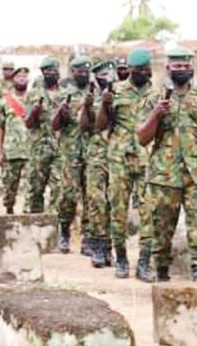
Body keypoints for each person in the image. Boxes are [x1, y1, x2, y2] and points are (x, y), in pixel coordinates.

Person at [137, 46, 197, 282]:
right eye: (176, 66)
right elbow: (142, 138)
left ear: (191, 69)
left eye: (184, 66)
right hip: (164, 175)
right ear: (167, 68)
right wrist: (157, 115)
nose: (180, 69)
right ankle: (161, 272)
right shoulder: (153, 99)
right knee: (161, 228)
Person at [95, 48, 155, 281]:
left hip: (147, 159)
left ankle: (143, 263)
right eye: (136, 70)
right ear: (129, 70)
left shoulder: (158, 93)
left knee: (149, 212)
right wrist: (105, 106)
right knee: (117, 210)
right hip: (119, 159)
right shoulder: (116, 92)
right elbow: (100, 126)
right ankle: (121, 259)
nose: (141, 73)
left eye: (144, 70)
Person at [52, 55, 94, 254]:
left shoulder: (97, 93)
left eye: (86, 71)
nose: (83, 74)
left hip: (92, 152)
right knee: (68, 195)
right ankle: (64, 231)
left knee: (90, 196)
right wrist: (61, 112)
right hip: (70, 152)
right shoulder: (63, 94)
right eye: (79, 71)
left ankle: (87, 237)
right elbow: (54, 125)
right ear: (73, 72)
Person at [85, 60, 116, 268]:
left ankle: (110, 248)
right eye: (103, 74)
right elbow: (90, 126)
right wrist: (92, 105)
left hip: (118, 155)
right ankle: (97, 245)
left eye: (110, 74)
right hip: (97, 154)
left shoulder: (122, 94)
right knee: (97, 201)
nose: (107, 78)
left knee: (115, 202)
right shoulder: (89, 97)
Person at [24, 56, 62, 214]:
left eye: (53, 70)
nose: (51, 73)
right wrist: (34, 111)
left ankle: (55, 222)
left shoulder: (64, 93)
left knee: (58, 187)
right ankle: (34, 219)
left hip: (60, 148)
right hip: (38, 148)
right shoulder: (33, 94)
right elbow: (28, 123)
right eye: (47, 71)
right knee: (35, 188)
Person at [0, 67, 30, 214]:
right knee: (10, 187)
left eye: (24, 76)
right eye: (19, 76)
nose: (22, 79)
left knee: (31, 186)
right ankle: (9, 208)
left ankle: (29, 213)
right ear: (13, 80)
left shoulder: (34, 99)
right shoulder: (4, 101)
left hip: (30, 150)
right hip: (11, 151)